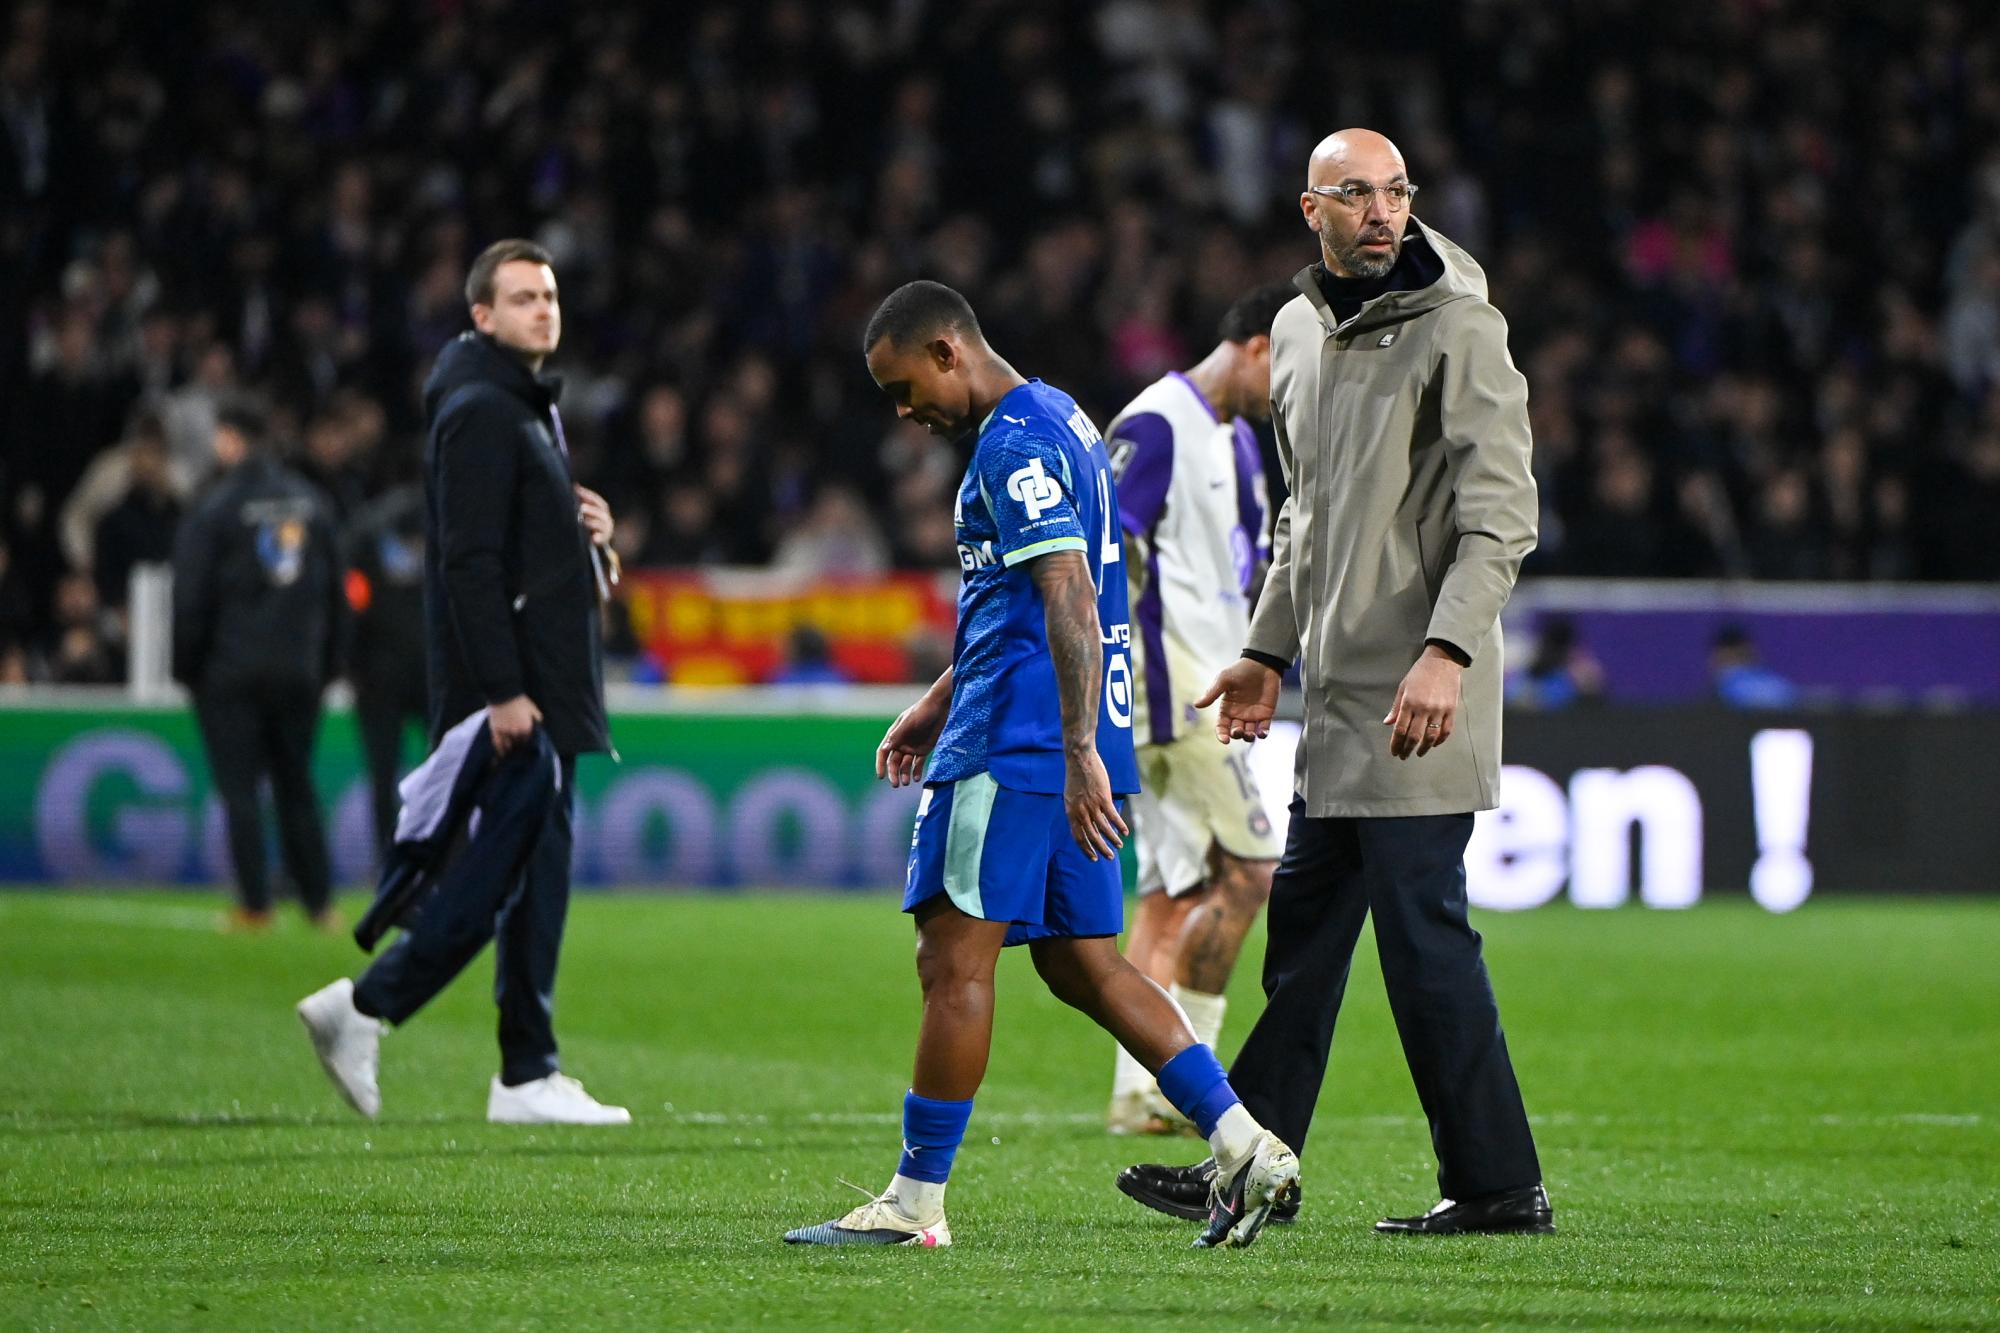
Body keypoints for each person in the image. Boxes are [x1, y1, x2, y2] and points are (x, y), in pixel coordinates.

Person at [784, 281, 1299, 1251]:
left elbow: (1067, 596)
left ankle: (912, 1204)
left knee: (951, 961)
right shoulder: (1060, 414)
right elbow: (1021, 600)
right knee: (1084, 965)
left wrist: (1065, 754)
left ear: (946, 351)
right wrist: (937, 704)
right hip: (1069, 733)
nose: (904, 413)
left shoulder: (1010, 447)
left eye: (903, 388)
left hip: (1019, 746)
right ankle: (1240, 1142)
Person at [1117, 130, 1554, 1236]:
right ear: (1307, 209)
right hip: (1337, 705)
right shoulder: (1301, 330)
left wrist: (1447, 653)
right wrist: (1266, 654)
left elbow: (1500, 516)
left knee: (1422, 942)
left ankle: (1499, 1185)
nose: (1379, 210)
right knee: (1301, 943)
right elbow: (1299, 517)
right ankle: (1248, 1158)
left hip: (1420, 694)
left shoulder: (1462, 326)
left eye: (1396, 190)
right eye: (1353, 193)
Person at [296, 239, 628, 1126]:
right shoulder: (484, 407)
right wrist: (503, 690)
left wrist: (584, 527)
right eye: (522, 298)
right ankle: (365, 1005)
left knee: (533, 873)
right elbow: (469, 562)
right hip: (515, 693)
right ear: (481, 315)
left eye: (550, 295)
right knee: (498, 872)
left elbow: (512, 543)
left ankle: (526, 1069)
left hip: (541, 686)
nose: (542, 310)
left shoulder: (514, 404)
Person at [1101, 282, 1292, 1136]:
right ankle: (1198, 1077)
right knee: (1248, 871)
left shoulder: (1241, 444)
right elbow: (1105, 548)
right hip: (1169, 692)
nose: (1288, 386)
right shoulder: (1155, 422)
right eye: (1285, 365)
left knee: (1173, 895)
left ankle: (1138, 1091)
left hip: (1214, 688)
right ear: (1255, 344)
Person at [170, 403, 345, 930]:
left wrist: (188, 669)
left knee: (241, 790)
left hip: (232, 672)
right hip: (298, 671)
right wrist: (327, 665)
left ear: (229, 439)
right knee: (297, 785)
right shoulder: (312, 503)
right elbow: (338, 594)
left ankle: (255, 904)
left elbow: (192, 598)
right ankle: (320, 905)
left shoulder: (216, 506)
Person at [341, 478, 429, 858]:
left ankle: (388, 859)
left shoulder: (364, 527)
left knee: (382, 775)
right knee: (449, 768)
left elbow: (348, 602)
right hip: (433, 672)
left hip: (376, 673)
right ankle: (446, 853)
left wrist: (348, 664)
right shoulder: (449, 521)